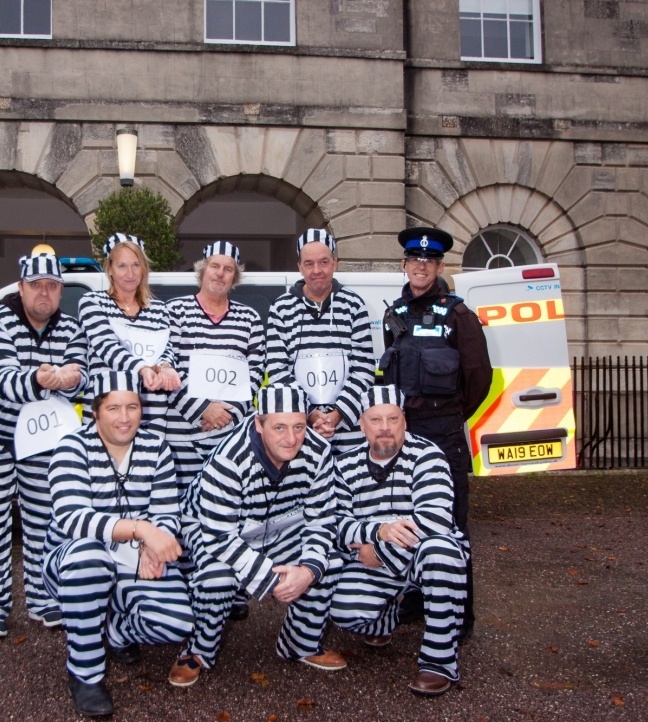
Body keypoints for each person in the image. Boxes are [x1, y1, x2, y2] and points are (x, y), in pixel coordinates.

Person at [167, 384, 346, 688]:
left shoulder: (319, 452)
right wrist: (272, 579)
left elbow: (321, 520)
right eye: (279, 427)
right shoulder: (228, 458)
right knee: (216, 577)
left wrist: (306, 571)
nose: (291, 439)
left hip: (277, 525)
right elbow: (219, 536)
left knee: (328, 562)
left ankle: (300, 643)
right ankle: (198, 650)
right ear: (258, 424)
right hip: (210, 527)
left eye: (299, 426)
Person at [43, 371, 193, 718]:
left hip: (133, 560)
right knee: (89, 558)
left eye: (132, 407)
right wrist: (142, 531)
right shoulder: (71, 447)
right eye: (113, 408)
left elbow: (168, 513)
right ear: (95, 412)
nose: (125, 417)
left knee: (177, 623)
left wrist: (153, 545)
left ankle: (115, 629)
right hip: (72, 563)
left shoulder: (156, 447)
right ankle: (86, 672)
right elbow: (74, 519)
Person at [0, 251, 88, 638]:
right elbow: (4, 380)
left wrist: (73, 379)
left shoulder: (71, 328)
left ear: (61, 290)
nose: (44, 294)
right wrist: (45, 378)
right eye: (36, 286)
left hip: (43, 440)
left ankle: (43, 598)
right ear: (21, 288)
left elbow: (84, 375)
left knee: (45, 522)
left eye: (52, 286)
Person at [379, 226, 492, 637]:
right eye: (414, 260)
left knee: (451, 525)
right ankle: (415, 600)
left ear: (439, 266)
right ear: (404, 264)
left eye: (428, 261)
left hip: (443, 435)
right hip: (405, 436)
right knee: (407, 518)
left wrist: (452, 414)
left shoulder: (457, 315)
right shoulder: (395, 314)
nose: (420, 267)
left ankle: (459, 618)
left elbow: (480, 377)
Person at [330, 385, 468, 697]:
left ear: (404, 421)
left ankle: (439, 662)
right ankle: (385, 618)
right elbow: (336, 524)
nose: (385, 428)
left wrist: (380, 549)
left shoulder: (428, 455)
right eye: (375, 420)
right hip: (373, 555)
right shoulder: (344, 465)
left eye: (393, 419)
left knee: (442, 552)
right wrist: (379, 531)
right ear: (361, 425)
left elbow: (435, 520)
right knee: (343, 611)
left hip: (422, 556)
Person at [164, 240, 265, 494]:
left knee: (224, 502)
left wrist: (226, 413)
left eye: (228, 269)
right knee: (181, 507)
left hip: (230, 436)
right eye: (215, 266)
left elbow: (255, 374)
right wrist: (203, 409)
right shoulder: (174, 311)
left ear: (235, 277)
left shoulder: (250, 319)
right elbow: (167, 366)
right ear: (203, 270)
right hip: (181, 437)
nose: (220, 273)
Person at [266, 228, 374, 455]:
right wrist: (311, 413)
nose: (317, 270)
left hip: (348, 430)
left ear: (335, 263)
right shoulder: (281, 308)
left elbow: (364, 368)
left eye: (323, 262)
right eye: (309, 263)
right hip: (299, 430)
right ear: (299, 267)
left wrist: (338, 414)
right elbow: (277, 370)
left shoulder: (354, 305)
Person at [77, 233, 180, 436]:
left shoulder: (159, 309)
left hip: (152, 412)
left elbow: (165, 349)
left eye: (135, 265)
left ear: (144, 268)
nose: (130, 273)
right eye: (122, 266)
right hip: (108, 412)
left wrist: (165, 367)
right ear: (110, 269)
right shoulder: (92, 303)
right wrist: (143, 369)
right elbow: (108, 347)